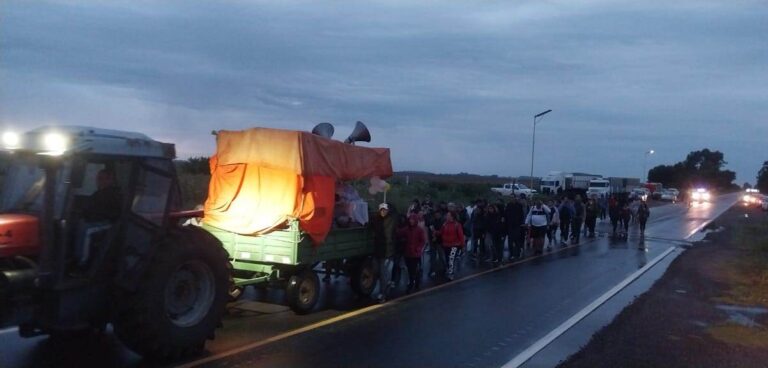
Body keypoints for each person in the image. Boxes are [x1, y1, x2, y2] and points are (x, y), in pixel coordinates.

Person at [75, 168, 122, 265]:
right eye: (98, 179)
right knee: (76, 224)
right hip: (96, 220)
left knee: (87, 230)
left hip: (109, 223)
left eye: (103, 179)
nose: (99, 181)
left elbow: (110, 213)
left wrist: (89, 217)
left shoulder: (113, 194)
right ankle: (74, 256)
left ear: (110, 180)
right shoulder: (98, 193)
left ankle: (82, 263)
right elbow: (89, 208)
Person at [372, 203, 397, 302]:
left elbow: (395, 213)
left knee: (384, 274)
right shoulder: (376, 220)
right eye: (381, 210)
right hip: (377, 250)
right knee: (375, 270)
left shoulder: (392, 220)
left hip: (388, 251)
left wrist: (389, 204)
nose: (383, 211)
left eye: (385, 210)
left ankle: (383, 294)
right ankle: (387, 284)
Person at [399, 214, 427, 293]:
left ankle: (412, 283)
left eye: (413, 220)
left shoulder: (419, 230)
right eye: (410, 219)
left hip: (415, 253)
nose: (411, 221)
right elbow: (399, 233)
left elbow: (423, 240)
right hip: (408, 253)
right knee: (410, 269)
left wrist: (418, 248)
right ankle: (415, 281)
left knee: (413, 269)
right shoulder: (406, 229)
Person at [438, 211, 465, 281]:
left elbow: (461, 236)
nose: (447, 216)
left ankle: (451, 273)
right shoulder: (445, 224)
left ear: (452, 216)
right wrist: (435, 232)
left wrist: (462, 246)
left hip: (454, 245)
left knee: (451, 259)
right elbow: (441, 232)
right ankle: (449, 270)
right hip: (446, 244)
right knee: (447, 259)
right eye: (447, 215)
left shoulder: (457, 225)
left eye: (448, 215)